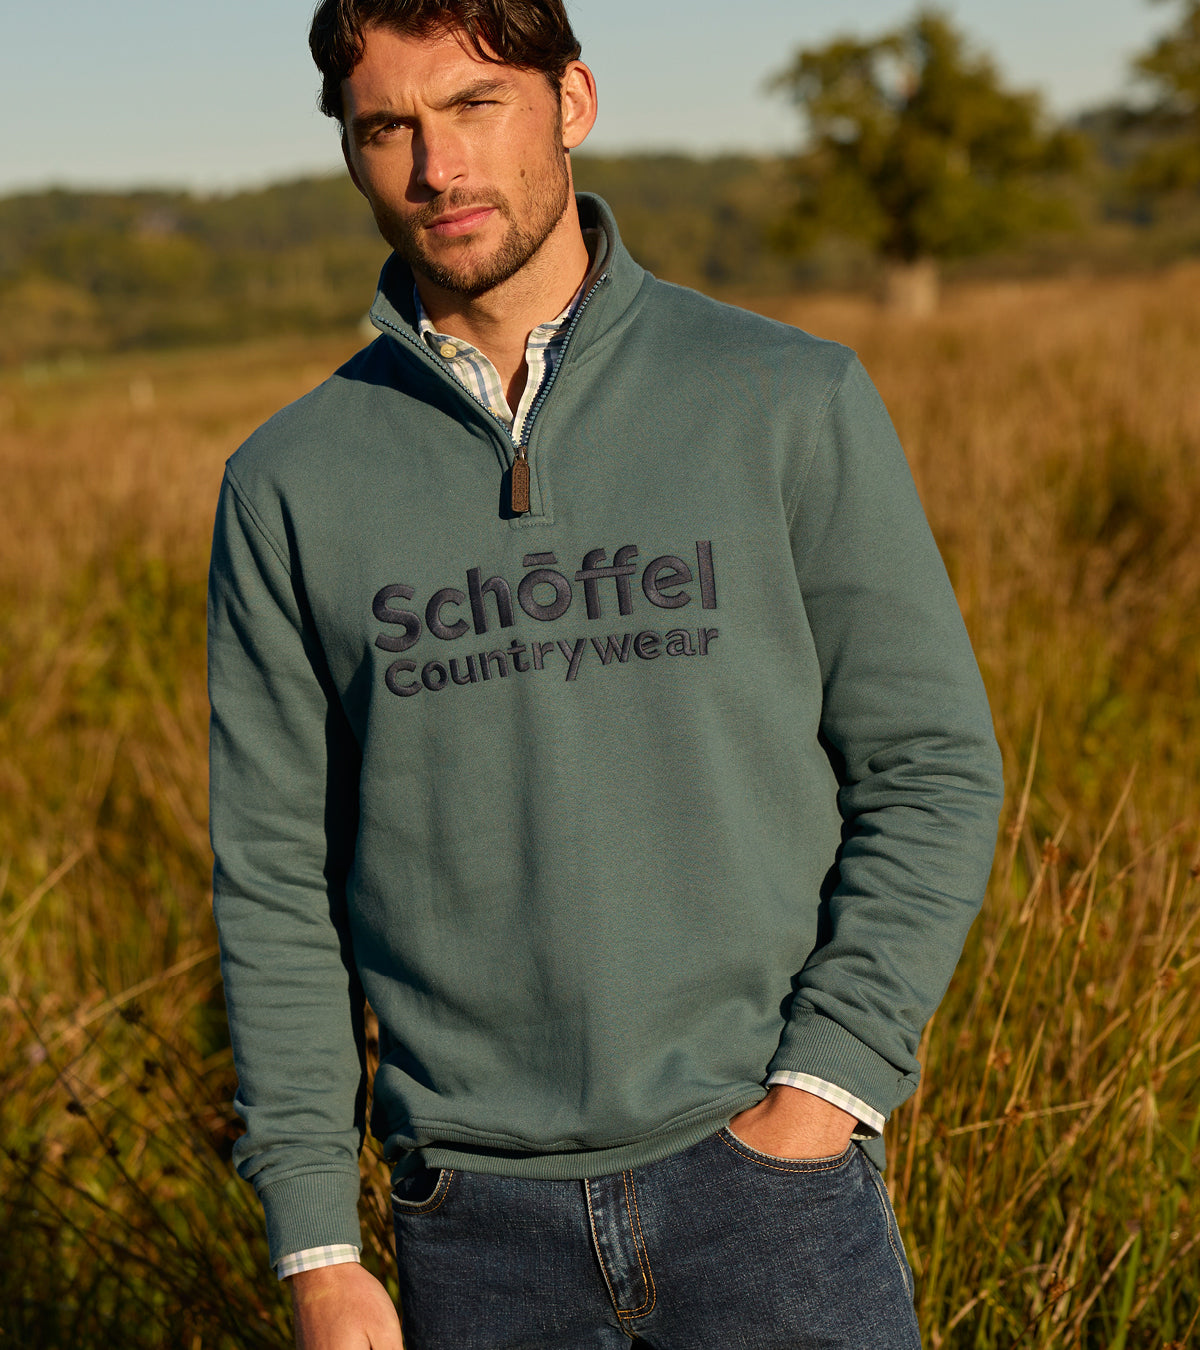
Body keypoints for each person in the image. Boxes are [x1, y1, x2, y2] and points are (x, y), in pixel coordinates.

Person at [206, 1, 1005, 1346]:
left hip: (770, 1189)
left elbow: (929, 762)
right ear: (348, 149)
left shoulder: (783, 396)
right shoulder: (287, 484)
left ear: (572, 102)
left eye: (475, 105)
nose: (436, 170)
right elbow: (278, 878)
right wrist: (318, 1242)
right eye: (386, 126)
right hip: (473, 1227)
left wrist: (826, 1087)